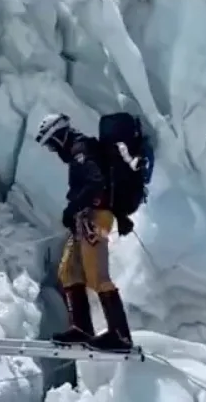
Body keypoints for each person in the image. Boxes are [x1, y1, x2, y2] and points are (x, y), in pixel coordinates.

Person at [36, 111, 135, 351]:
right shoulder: (80, 151)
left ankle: (120, 336)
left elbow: (96, 183)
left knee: (97, 275)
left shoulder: (82, 150)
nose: (52, 149)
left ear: (59, 136)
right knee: (69, 270)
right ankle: (81, 329)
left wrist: (73, 207)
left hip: (94, 218)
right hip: (86, 217)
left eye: (51, 143)